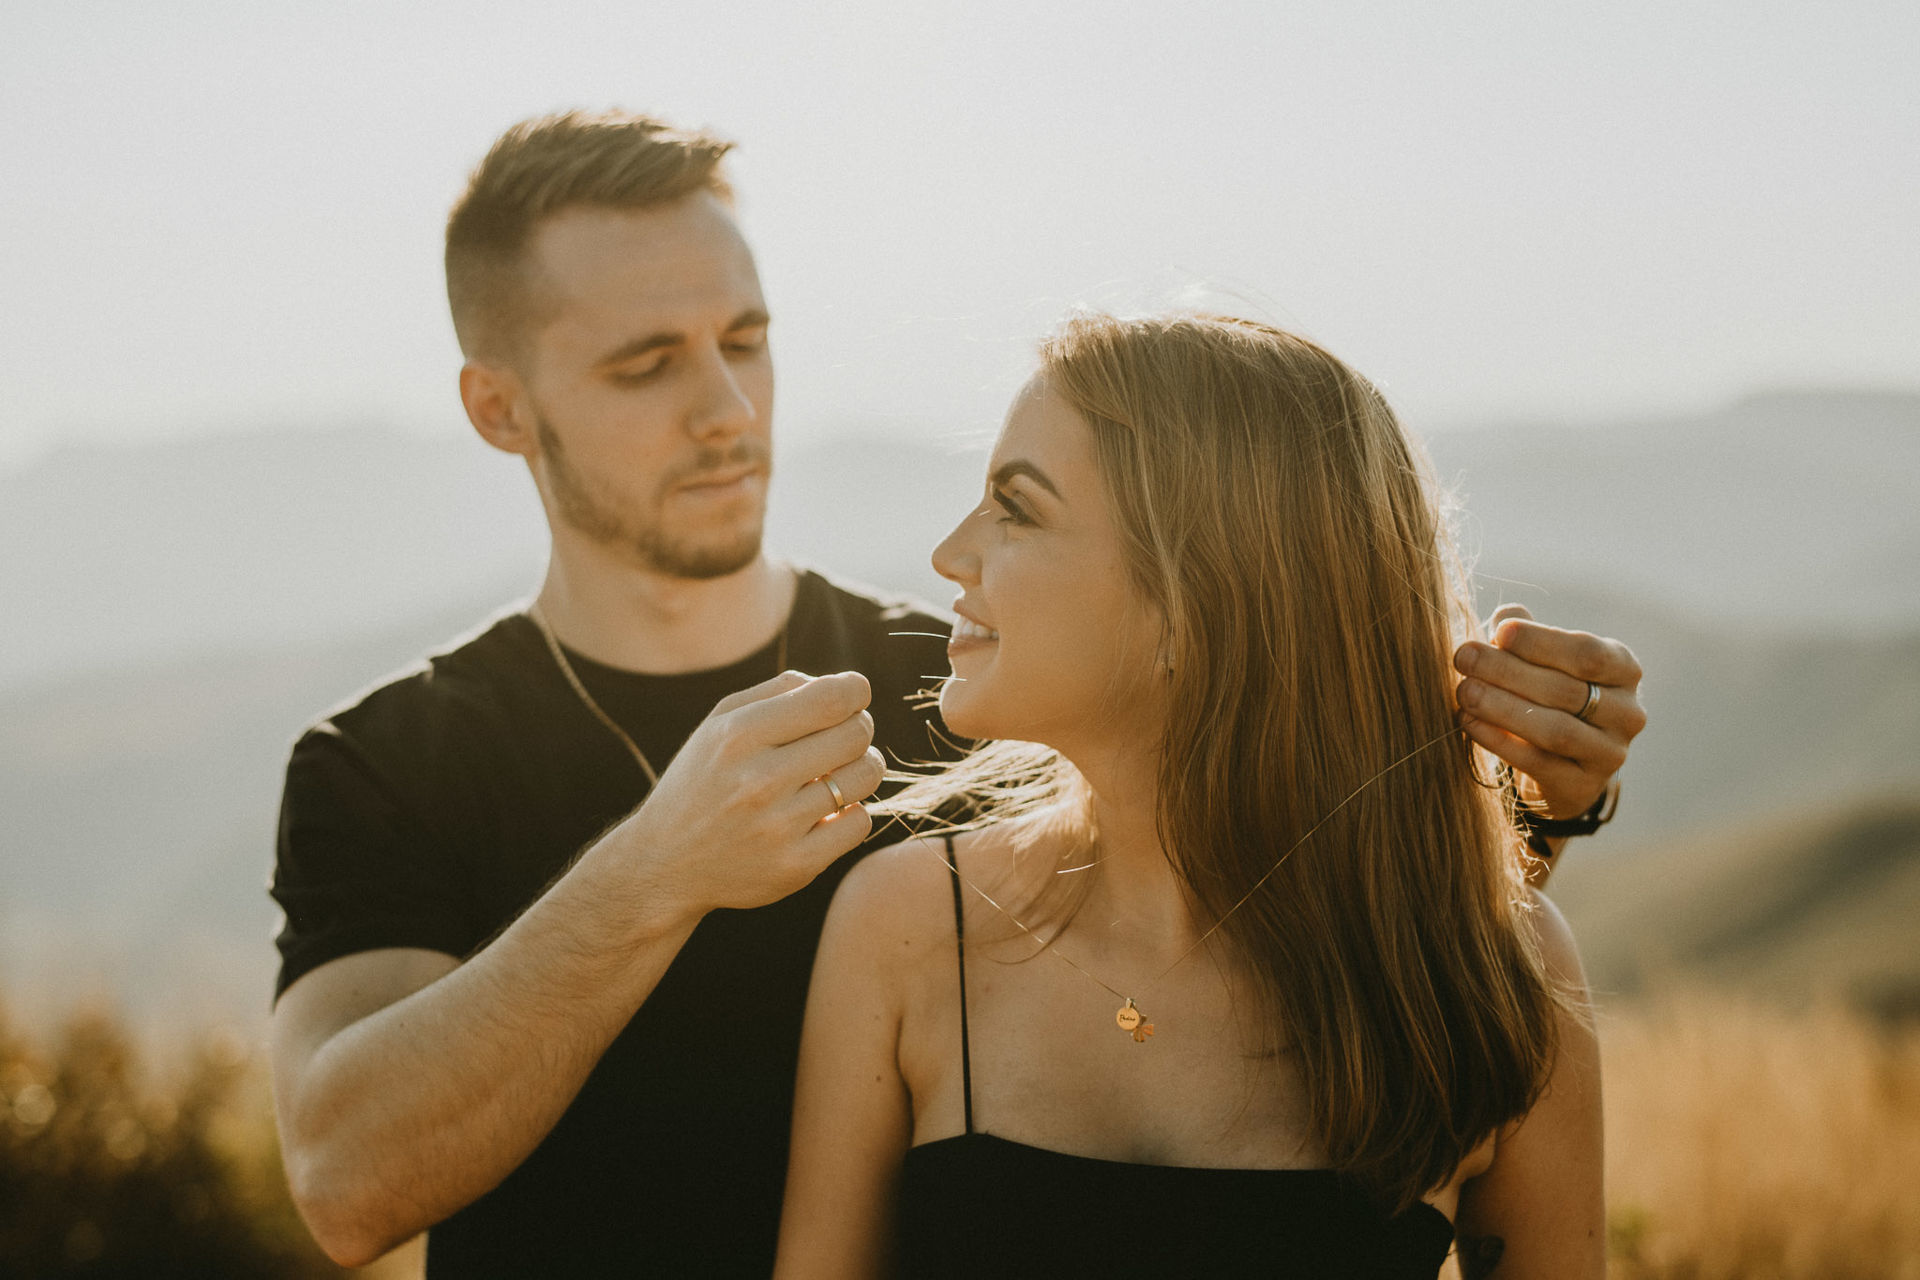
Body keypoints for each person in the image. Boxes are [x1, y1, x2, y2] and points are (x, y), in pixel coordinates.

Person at [267, 111, 1643, 1277]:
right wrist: (654, 874)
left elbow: (1299, 922)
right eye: (648, 363)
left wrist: (1525, 809)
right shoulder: (387, 766)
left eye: (745, 339)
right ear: (502, 408)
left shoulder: (981, 691)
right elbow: (345, 1183)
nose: (730, 409)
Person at [776, 313, 1616, 1278]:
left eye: (1018, 508)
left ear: (1194, 606)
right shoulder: (910, 927)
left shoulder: (1496, 964)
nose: (950, 554)